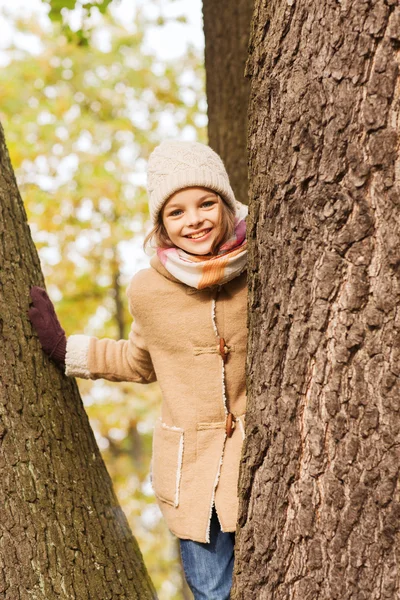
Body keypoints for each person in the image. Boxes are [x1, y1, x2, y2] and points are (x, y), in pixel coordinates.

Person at [28, 140, 248, 600]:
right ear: (162, 225)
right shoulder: (149, 289)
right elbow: (139, 361)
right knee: (213, 592)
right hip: (193, 473)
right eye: (177, 212)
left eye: (206, 203)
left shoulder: (261, 266)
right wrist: (66, 348)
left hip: (259, 459)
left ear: (226, 205)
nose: (195, 220)